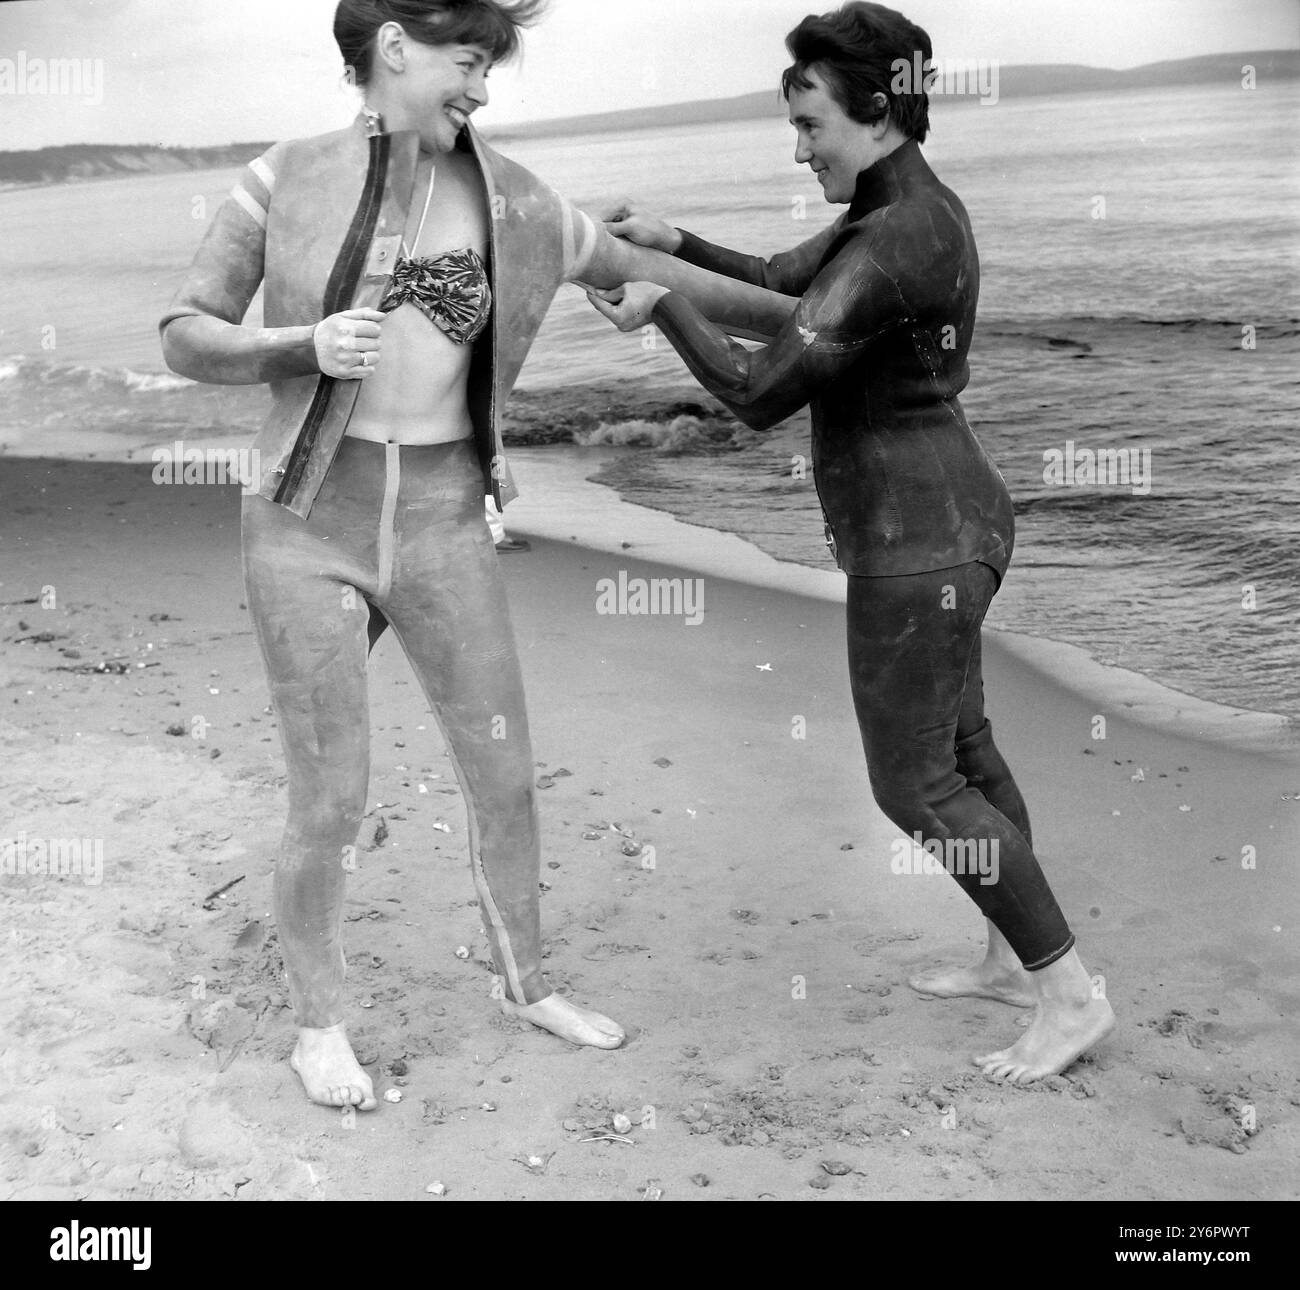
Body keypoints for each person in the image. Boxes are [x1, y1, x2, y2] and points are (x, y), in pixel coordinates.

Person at [160, 0, 796, 1110]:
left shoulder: (518, 202)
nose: (484, 89)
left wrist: (822, 316)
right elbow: (184, 333)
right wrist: (294, 344)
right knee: (328, 798)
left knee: (503, 773)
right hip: (307, 526)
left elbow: (679, 279)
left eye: (490, 67)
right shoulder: (284, 178)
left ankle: (526, 983)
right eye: (468, 61)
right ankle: (320, 1026)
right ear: (394, 46)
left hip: (448, 523)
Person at [588, 1, 1115, 1084]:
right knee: (961, 755)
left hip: (919, 541)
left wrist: (661, 311)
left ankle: (1068, 992)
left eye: (810, 125)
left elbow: (758, 386)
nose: (798, 146)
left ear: (876, 111)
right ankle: (1009, 959)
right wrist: (675, 244)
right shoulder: (898, 207)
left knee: (913, 786)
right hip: (943, 526)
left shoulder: (896, 236)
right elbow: (786, 285)